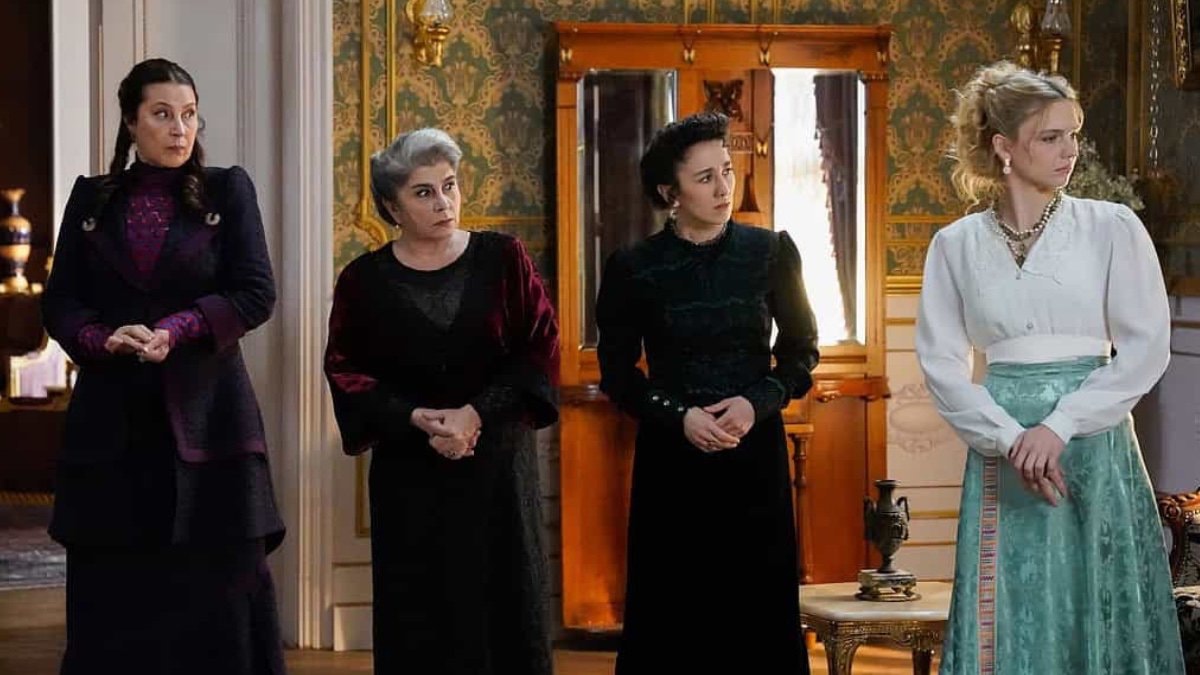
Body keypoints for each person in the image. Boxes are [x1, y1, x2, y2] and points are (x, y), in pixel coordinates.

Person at [916, 61, 1184, 674]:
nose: (1070, 151)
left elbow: (1146, 348)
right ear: (1004, 147)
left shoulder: (1110, 227)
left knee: (1095, 610)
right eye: (1050, 137)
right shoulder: (955, 246)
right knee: (1011, 612)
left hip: (1093, 446)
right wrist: (1013, 441)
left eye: (1073, 135)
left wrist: (1058, 427)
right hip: (1002, 453)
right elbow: (941, 365)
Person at [41, 58, 285, 674]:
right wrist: (103, 339)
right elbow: (61, 303)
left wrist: (177, 330)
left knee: (221, 597)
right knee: (115, 598)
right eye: (162, 114)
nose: (180, 129)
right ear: (131, 122)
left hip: (211, 426)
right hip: (112, 429)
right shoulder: (91, 197)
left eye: (189, 114)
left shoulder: (228, 190)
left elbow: (255, 292)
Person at [323, 128, 560, 675]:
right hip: (412, 477)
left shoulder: (504, 258)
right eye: (424, 192)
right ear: (392, 207)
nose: (444, 202)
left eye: (449, 185)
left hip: (498, 469)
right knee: (422, 619)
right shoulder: (363, 280)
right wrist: (415, 417)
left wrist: (475, 414)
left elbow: (540, 347)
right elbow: (345, 370)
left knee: (506, 613)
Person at [595, 111, 819, 675]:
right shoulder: (633, 267)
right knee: (674, 615)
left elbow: (800, 353)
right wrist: (680, 417)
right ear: (669, 192)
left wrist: (754, 403)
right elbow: (618, 375)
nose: (724, 188)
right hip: (673, 462)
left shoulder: (771, 252)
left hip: (754, 456)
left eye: (727, 170)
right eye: (705, 178)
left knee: (757, 613)